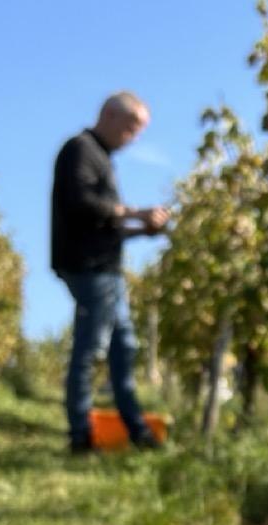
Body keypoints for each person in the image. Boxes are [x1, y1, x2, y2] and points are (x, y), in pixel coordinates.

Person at [51, 91, 170, 454]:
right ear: (110, 115)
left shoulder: (100, 157)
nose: (133, 137)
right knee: (91, 348)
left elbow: (103, 224)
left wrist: (141, 230)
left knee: (123, 348)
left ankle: (136, 430)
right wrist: (135, 213)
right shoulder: (81, 150)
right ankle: (81, 435)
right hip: (89, 267)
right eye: (132, 127)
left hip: (105, 267)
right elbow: (82, 205)